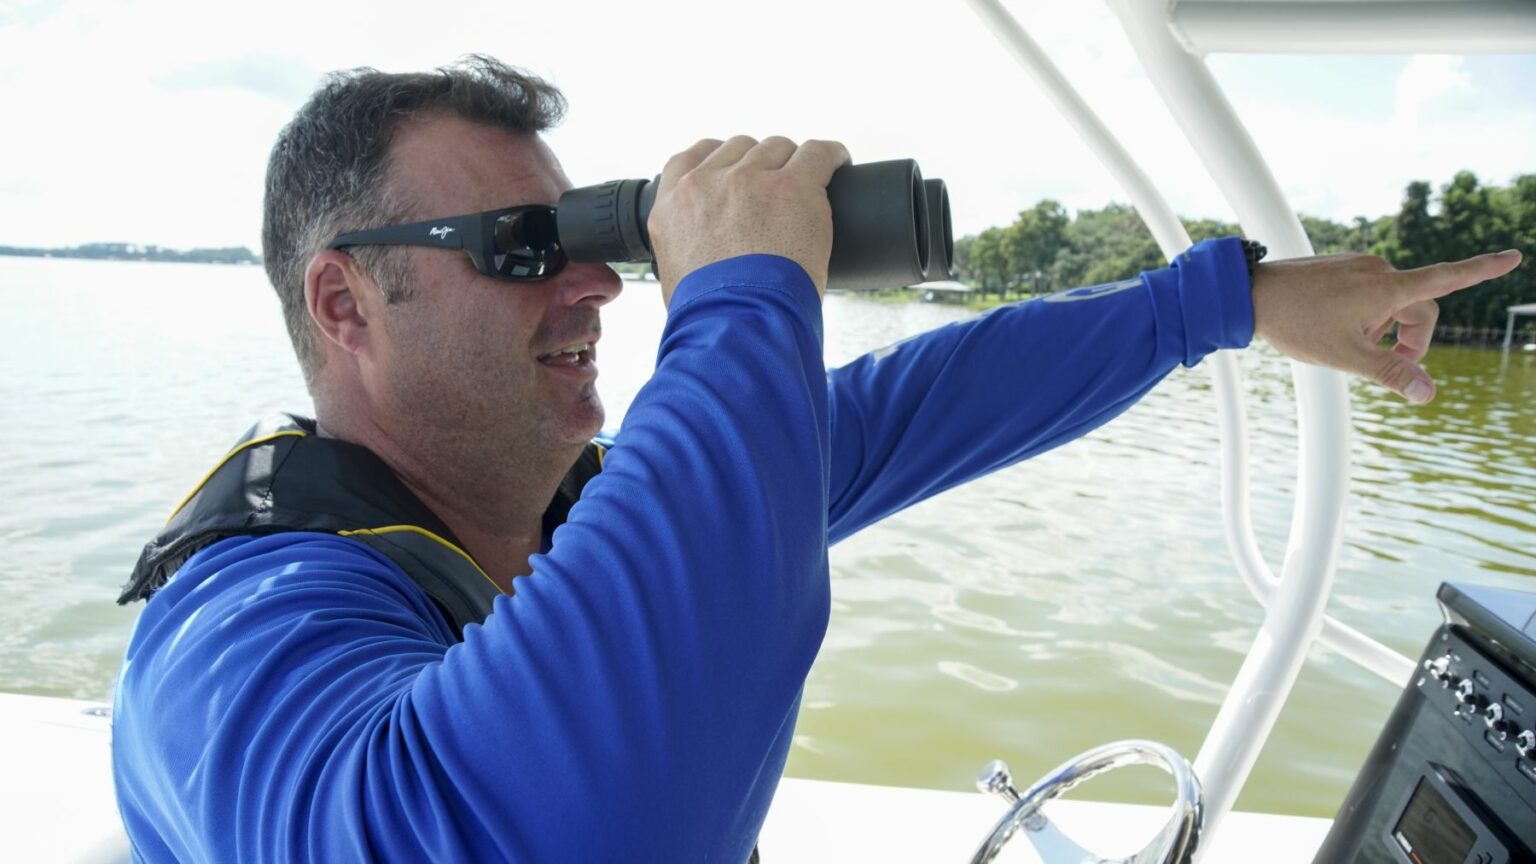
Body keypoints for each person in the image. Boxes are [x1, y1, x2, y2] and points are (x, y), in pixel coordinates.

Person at [110, 56, 1521, 862]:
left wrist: (1235, 301)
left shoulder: (568, 520)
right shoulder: (231, 635)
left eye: (596, 243)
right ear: (345, 302)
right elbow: (523, 826)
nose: (598, 287)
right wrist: (732, 298)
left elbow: (921, 401)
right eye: (524, 252)